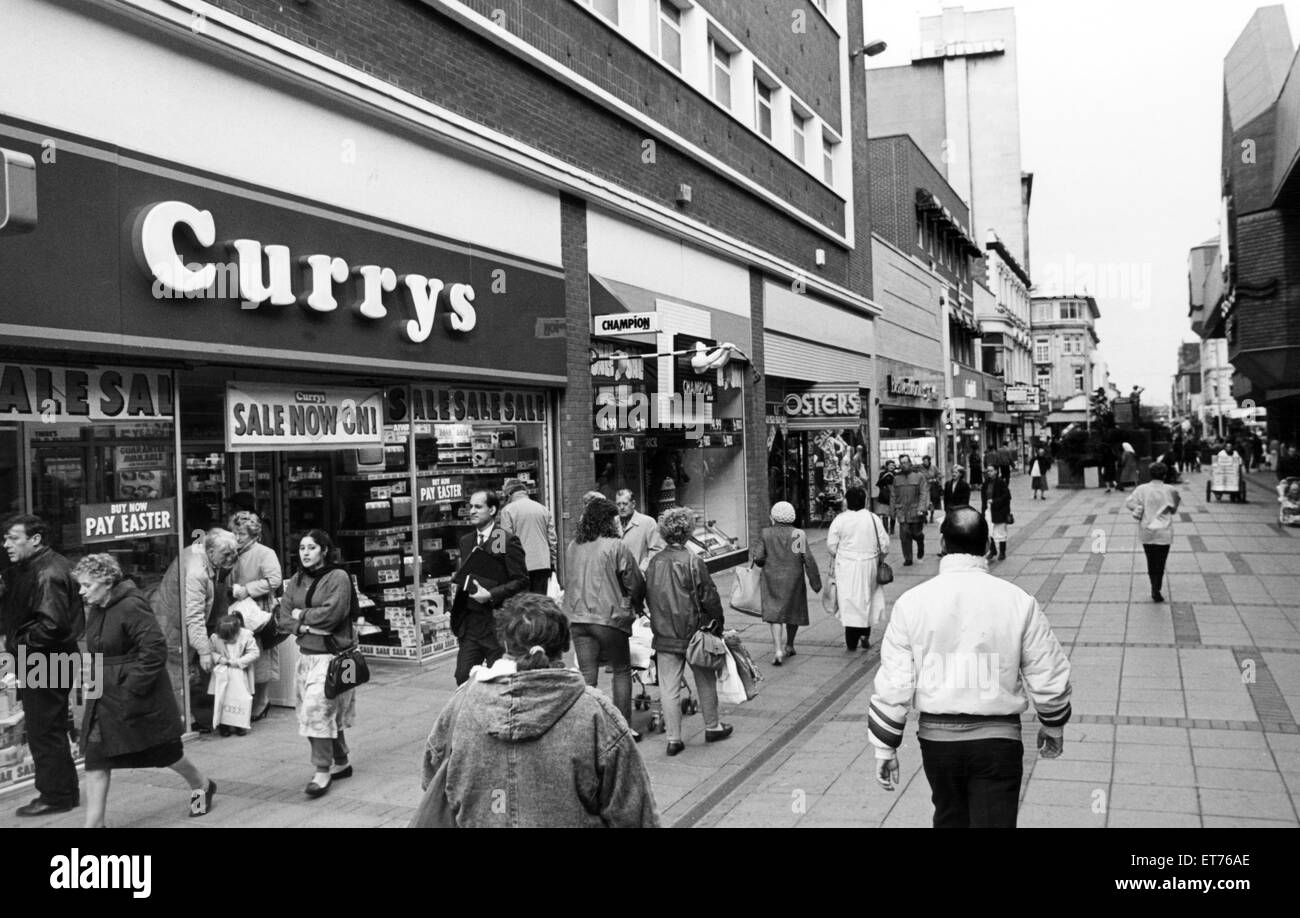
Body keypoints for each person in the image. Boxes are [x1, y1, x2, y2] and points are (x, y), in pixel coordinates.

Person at [869, 507, 1073, 827]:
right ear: (988, 545)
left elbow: (895, 680)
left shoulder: (912, 603)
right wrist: (1053, 723)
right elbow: (1046, 669)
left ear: (943, 545)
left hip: (938, 743)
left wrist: (885, 746)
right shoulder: (1018, 601)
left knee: (949, 819)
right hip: (999, 741)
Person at [411, 593, 659, 827]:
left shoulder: (460, 705)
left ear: (505, 642)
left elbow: (432, 781)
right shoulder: (595, 713)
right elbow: (634, 812)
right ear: (564, 645)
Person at [72, 554, 215, 827]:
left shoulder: (131, 606)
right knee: (96, 756)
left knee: (166, 754)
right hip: (105, 694)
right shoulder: (98, 607)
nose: (82, 591)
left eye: (87, 585)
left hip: (136, 696)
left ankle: (202, 786)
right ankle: (94, 825)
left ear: (106, 582)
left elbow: (154, 650)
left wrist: (131, 688)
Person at [2, 514, 85, 817]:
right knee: (50, 727)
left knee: (44, 729)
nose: (6, 544)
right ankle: (63, 791)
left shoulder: (46, 572)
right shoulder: (40, 567)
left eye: (13, 537)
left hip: (46, 658)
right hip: (50, 657)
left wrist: (17, 642)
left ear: (35, 539)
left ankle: (56, 795)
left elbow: (51, 626)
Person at [277, 529, 358, 798]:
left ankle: (322, 771)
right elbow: (283, 616)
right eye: (302, 548)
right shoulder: (297, 579)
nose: (305, 553)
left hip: (332, 658)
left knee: (316, 710)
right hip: (307, 657)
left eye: (311, 548)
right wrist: (303, 626)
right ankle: (342, 762)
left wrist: (301, 616)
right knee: (319, 713)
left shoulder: (338, 577)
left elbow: (332, 616)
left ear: (324, 550)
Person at [644, 507, 731, 756]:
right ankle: (712, 725)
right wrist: (718, 623)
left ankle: (673, 739)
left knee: (669, 688)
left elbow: (646, 594)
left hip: (664, 634)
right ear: (687, 532)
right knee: (705, 679)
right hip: (694, 633)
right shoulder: (694, 561)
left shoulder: (654, 562)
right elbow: (709, 597)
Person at [563, 497, 645, 737]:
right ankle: (622, 728)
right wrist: (633, 602)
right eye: (615, 520)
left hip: (577, 618)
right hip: (608, 617)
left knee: (588, 676)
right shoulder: (615, 546)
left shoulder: (573, 546)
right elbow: (635, 582)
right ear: (608, 521)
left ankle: (588, 729)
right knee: (621, 669)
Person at [154, 528, 239, 733]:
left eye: (234, 553)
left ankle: (191, 718)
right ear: (210, 552)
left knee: (183, 672)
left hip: (174, 619)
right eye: (226, 554)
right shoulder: (196, 573)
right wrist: (203, 652)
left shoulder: (200, 553)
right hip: (173, 625)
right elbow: (193, 616)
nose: (232, 558)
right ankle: (180, 724)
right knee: (177, 672)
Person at [449, 490, 529, 685]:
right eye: (471, 507)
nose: (472, 511)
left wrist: (491, 595)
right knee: (463, 676)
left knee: (500, 678)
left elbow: (521, 580)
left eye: (478, 507)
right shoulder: (466, 541)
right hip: (471, 623)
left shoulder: (503, 539)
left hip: (496, 623)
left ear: (492, 510)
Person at [227, 511, 282, 723]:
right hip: (236, 609)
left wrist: (248, 589)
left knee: (260, 655)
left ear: (253, 533)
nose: (237, 537)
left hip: (257, 610)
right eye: (234, 532)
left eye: (241, 533)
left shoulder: (264, 553)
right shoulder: (233, 552)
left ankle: (262, 700)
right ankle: (247, 699)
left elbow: (274, 580)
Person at [753, 500, 821, 665]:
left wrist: (763, 561)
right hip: (794, 579)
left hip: (772, 578)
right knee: (793, 611)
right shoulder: (797, 534)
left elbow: (759, 558)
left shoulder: (766, 533)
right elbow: (807, 559)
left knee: (775, 614)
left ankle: (777, 649)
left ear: (774, 517)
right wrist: (815, 581)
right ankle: (789, 645)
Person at [826, 486, 890, 652]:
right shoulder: (873, 518)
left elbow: (831, 545)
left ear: (847, 501)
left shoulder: (840, 519)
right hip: (869, 564)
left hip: (846, 566)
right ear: (864, 501)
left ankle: (852, 639)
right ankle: (864, 633)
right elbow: (885, 545)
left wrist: (842, 553)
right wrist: (878, 558)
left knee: (849, 600)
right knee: (867, 598)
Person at [1125, 461, 1181, 603]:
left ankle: (1153, 586)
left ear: (1150, 474)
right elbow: (1173, 510)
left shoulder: (1141, 489)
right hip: (1164, 531)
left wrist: (1138, 508)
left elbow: (1129, 503)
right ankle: (1157, 588)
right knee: (1161, 562)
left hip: (1147, 530)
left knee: (1151, 560)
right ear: (1164, 474)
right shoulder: (1171, 490)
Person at [499, 478, 557, 595]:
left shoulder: (507, 511)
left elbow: (504, 541)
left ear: (510, 494)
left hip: (520, 568)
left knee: (523, 606)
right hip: (542, 564)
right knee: (539, 603)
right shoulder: (543, 509)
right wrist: (551, 561)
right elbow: (552, 540)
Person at [208, 612, 259, 737]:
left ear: (237, 632)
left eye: (231, 638)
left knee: (240, 697)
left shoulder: (246, 636)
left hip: (240, 671)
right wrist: (219, 659)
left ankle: (239, 724)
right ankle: (223, 724)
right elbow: (210, 651)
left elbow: (254, 653)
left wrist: (238, 662)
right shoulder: (215, 638)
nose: (228, 641)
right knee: (222, 697)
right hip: (223, 672)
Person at [615, 489, 666, 572]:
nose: (621, 507)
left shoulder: (647, 522)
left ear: (633, 504)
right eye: (618, 504)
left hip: (639, 577)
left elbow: (657, 550)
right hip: (616, 578)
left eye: (625, 504)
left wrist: (642, 570)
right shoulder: (612, 523)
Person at [890, 455, 927, 566]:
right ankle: (908, 558)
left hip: (915, 510)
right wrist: (892, 511)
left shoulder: (919, 476)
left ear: (910, 463)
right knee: (905, 536)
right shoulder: (896, 478)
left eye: (906, 462)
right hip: (902, 511)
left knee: (916, 533)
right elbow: (893, 495)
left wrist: (921, 508)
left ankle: (920, 541)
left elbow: (923, 493)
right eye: (902, 463)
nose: (904, 464)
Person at [874, 460, 896, 534]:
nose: (891, 466)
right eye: (890, 465)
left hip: (893, 496)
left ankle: (892, 529)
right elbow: (879, 484)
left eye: (893, 465)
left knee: (893, 513)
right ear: (887, 466)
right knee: (885, 514)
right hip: (884, 496)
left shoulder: (896, 474)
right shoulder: (882, 474)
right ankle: (885, 530)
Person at [921, 456, 942, 523]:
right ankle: (924, 516)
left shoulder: (934, 467)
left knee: (932, 502)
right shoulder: (920, 468)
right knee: (924, 502)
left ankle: (931, 516)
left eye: (926, 461)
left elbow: (940, 475)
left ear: (929, 461)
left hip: (933, 487)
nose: (925, 462)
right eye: (924, 461)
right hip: (923, 487)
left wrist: (935, 479)